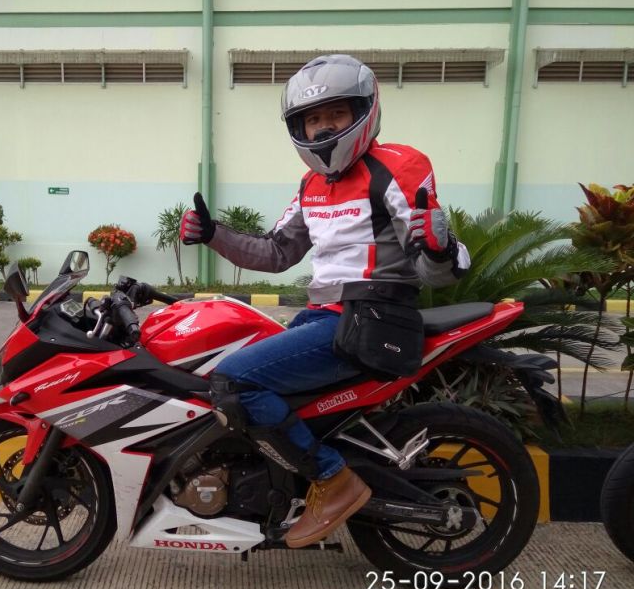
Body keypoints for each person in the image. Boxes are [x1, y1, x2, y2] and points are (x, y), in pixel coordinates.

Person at [180, 54, 471, 549]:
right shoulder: (312, 184)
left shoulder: (397, 166)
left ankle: (333, 480)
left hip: (371, 317)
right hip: (326, 318)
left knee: (233, 382)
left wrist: (440, 247)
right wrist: (213, 234)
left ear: (364, 111)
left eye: (336, 114)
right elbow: (278, 252)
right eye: (313, 119)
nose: (324, 128)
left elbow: (433, 269)